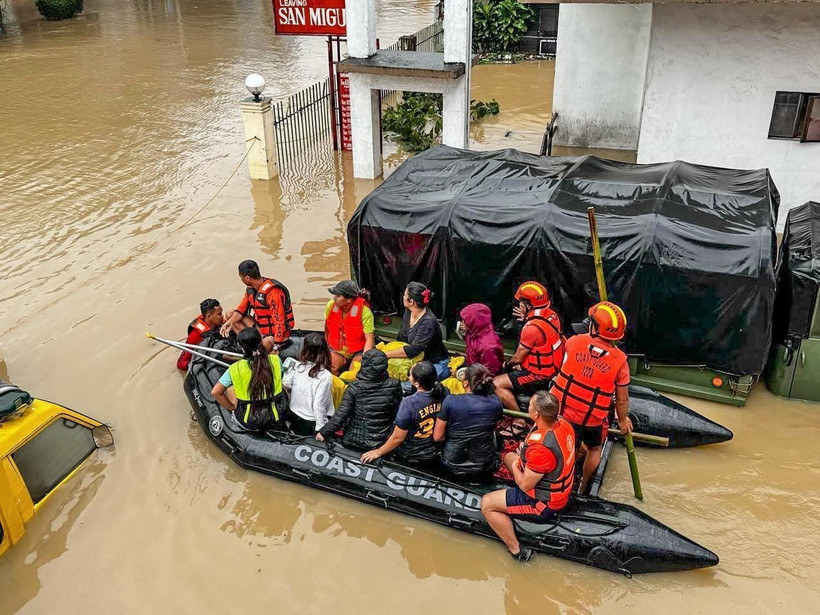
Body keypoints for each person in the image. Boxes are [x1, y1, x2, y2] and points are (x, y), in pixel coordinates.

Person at [480, 391, 576, 562]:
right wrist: (519, 458)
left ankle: (516, 550)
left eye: (530, 406)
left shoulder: (541, 450)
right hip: (552, 478)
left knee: (487, 504)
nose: (528, 407)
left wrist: (517, 467)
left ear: (536, 414)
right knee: (508, 456)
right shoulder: (563, 424)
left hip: (543, 502)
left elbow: (525, 485)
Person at [550, 301, 633, 492]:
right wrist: (622, 420)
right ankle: (584, 483)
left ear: (595, 326)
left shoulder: (573, 342)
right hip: (592, 419)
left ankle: (560, 481)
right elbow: (621, 399)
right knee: (594, 449)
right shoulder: (621, 363)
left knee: (562, 446)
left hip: (563, 413)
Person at [360, 361, 448, 467]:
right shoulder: (444, 391)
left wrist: (378, 452)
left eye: (410, 374)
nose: (408, 376)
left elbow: (398, 438)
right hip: (433, 450)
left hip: (411, 453)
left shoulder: (409, 403)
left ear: (417, 383)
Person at [494, 281, 564, 411]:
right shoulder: (552, 316)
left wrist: (505, 365)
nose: (519, 304)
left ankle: (518, 419)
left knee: (496, 384)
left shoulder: (531, 328)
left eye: (521, 302)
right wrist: (526, 318)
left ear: (528, 304)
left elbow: (518, 358)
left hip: (538, 375)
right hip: (553, 369)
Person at [316, 348, 402, 451]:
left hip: (354, 440)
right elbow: (396, 411)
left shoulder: (354, 388)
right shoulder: (395, 384)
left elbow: (341, 415)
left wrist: (323, 433)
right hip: (381, 441)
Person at [433, 363, 503, 481]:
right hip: (483, 465)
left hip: (452, 464)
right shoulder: (496, 402)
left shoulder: (450, 401)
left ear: (465, 383)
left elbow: (437, 437)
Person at [211, 328, 285, 432]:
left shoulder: (235, 368)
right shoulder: (276, 360)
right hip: (276, 418)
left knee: (231, 386)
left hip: (250, 421)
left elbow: (215, 392)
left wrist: (232, 407)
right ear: (261, 341)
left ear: (242, 348)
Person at [220, 260, 294, 349]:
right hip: (261, 328)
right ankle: (249, 345)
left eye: (241, 277)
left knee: (266, 343)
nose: (241, 280)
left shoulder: (274, 293)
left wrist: (277, 346)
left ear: (247, 278)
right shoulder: (252, 289)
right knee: (230, 314)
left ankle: (255, 348)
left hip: (276, 333)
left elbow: (279, 322)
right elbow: (241, 309)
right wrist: (230, 322)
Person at [384, 282, 450, 380]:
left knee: (408, 386)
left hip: (433, 363)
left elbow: (414, 350)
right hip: (416, 360)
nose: (403, 297)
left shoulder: (428, 322)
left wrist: (384, 355)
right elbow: (402, 339)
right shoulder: (408, 312)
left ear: (411, 301)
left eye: (405, 295)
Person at [282, 332, 335, 435]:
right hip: (311, 421)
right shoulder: (325, 376)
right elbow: (319, 405)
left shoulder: (298, 367)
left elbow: (287, 383)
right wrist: (321, 430)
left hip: (295, 415)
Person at [324, 279, 375, 375]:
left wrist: (365, 359)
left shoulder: (365, 312)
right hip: (337, 349)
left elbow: (369, 339)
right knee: (329, 371)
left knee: (353, 375)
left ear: (348, 299)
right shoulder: (330, 306)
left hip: (358, 351)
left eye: (338, 296)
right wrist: (326, 348)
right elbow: (327, 329)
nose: (334, 299)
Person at [456, 303, 504, 376]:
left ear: (474, 322)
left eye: (465, 320)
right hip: (473, 365)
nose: (462, 323)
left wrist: (471, 378)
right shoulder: (474, 330)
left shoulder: (487, 347)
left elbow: (490, 371)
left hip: (481, 376)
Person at [177, 298, 225, 370]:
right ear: (209, 317)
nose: (222, 316)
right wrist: (195, 366)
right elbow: (180, 363)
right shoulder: (195, 335)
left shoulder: (220, 323)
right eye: (219, 314)